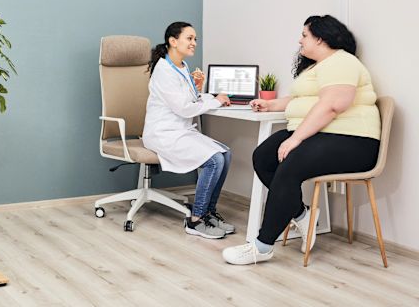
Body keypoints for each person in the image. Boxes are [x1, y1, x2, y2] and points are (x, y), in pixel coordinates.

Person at [222, 15, 381, 265]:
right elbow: (300, 99)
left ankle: (262, 247)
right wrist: (271, 104)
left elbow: (332, 105)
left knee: (290, 166)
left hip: (352, 139)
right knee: (263, 157)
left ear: (321, 37)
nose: (300, 40)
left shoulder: (342, 62)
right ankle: (303, 215)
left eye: (304, 35)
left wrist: (295, 139)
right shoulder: (316, 67)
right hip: (320, 133)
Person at [142, 21, 235, 239]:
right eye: (189, 38)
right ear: (173, 42)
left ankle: (209, 213)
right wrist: (217, 102)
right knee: (214, 160)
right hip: (163, 134)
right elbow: (184, 109)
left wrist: (205, 93)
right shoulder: (164, 71)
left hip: (180, 131)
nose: (194, 43)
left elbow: (189, 100)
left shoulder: (182, 67)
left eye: (195, 39)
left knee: (226, 154)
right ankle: (195, 220)